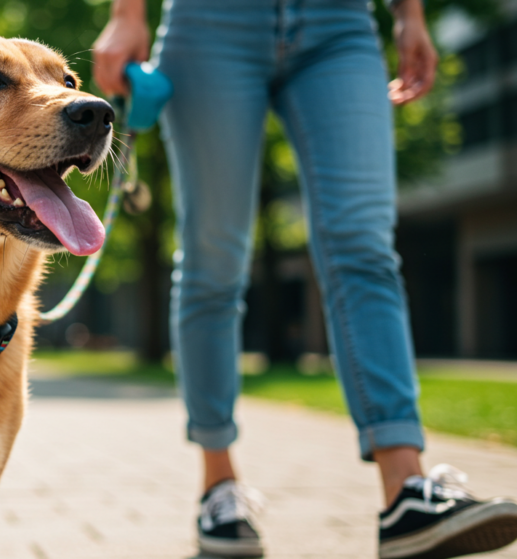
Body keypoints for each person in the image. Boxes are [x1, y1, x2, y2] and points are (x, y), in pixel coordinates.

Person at [93, 0, 517, 557]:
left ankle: (405, 491)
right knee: (213, 261)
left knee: (364, 248)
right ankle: (219, 486)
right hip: (211, 23)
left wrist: (409, 14)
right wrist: (128, 12)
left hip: (340, 24)